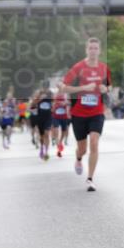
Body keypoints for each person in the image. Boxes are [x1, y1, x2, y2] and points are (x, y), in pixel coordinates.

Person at [61, 37, 112, 192]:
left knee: (94, 143)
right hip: (79, 113)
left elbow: (109, 86)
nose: (93, 51)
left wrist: (105, 89)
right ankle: (78, 158)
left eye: (96, 48)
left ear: (99, 50)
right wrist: (83, 88)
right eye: (90, 48)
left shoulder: (104, 68)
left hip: (96, 112)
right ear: (86, 50)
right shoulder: (78, 68)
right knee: (82, 149)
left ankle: (90, 179)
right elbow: (63, 87)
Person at [30, 82, 55, 161]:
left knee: (47, 133)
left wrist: (53, 106)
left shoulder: (51, 94)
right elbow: (32, 104)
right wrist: (40, 99)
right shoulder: (39, 93)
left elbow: (54, 103)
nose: (45, 89)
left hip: (48, 117)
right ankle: (41, 148)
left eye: (47, 87)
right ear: (42, 87)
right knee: (41, 136)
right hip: (40, 117)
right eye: (44, 87)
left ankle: (46, 152)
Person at [51, 87, 71, 157]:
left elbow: (69, 103)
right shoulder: (54, 94)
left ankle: (60, 142)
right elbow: (51, 103)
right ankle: (59, 148)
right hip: (55, 116)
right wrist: (55, 104)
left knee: (63, 132)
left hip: (64, 116)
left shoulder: (66, 95)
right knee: (56, 133)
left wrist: (65, 103)